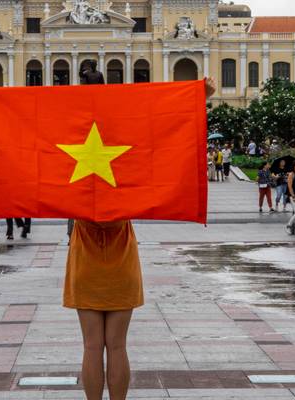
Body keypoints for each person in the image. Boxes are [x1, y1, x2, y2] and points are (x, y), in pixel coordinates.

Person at [65, 76, 217, 400]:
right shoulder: (124, 154)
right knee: (117, 345)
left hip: (85, 264)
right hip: (121, 262)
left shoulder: (74, 154)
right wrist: (198, 96)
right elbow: (160, 137)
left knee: (92, 346)